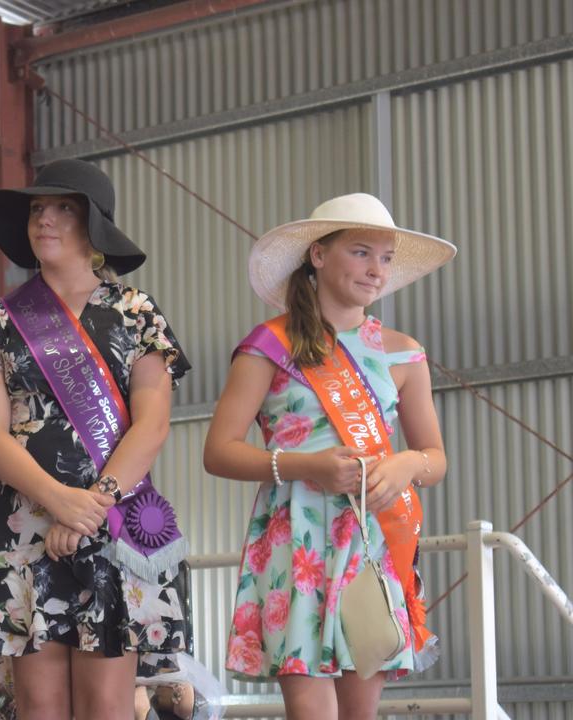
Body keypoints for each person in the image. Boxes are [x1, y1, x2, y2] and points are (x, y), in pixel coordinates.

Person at [0, 159, 192, 720]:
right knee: (38, 706)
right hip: (25, 524)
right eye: (37, 209)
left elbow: (152, 423)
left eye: (63, 208)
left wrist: (89, 505)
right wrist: (59, 501)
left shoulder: (138, 314)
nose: (45, 219)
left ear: (94, 225)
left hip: (111, 520)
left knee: (108, 706)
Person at [203, 193, 454, 719]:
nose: (376, 270)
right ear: (318, 255)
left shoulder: (403, 351)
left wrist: (407, 464)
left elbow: (434, 457)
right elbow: (219, 451)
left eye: (385, 258)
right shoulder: (269, 345)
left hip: (373, 537)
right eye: (362, 252)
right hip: (300, 537)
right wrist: (304, 466)